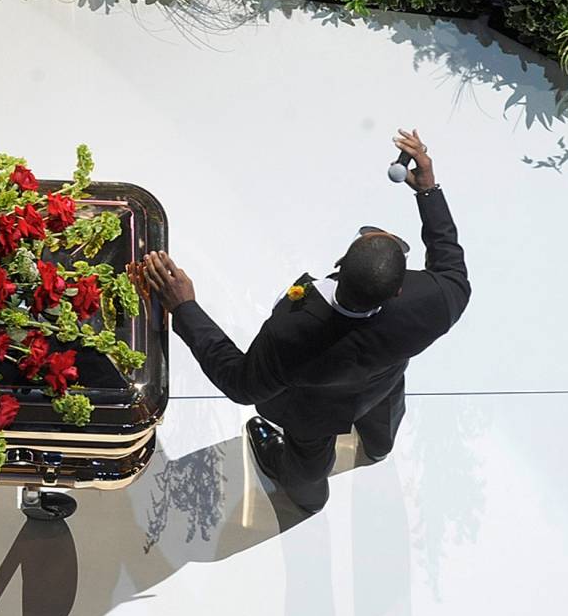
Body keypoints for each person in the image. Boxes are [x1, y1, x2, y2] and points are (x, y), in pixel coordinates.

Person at [128, 129, 470, 513]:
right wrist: (427, 189)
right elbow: (450, 260)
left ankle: (308, 500)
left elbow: (241, 384)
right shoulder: (437, 301)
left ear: (339, 266)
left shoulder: (293, 329)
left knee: (308, 462)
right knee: (383, 411)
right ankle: (378, 446)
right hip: (382, 382)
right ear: (397, 291)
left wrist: (185, 307)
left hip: (315, 413)